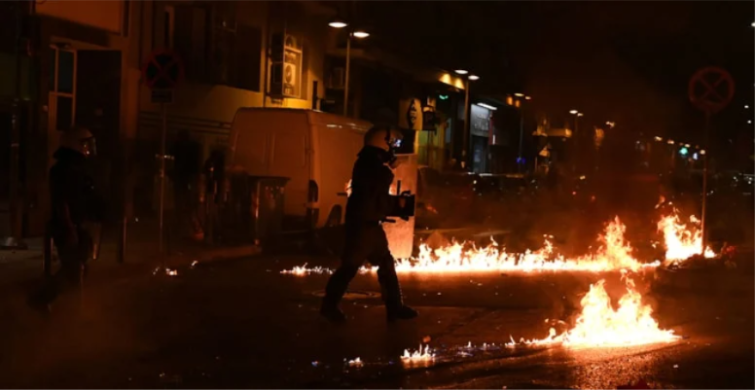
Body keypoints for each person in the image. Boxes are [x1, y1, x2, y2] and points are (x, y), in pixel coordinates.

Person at [320, 125, 418, 323]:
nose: (393, 151)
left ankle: (395, 307)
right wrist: (396, 203)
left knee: (385, 264)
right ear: (382, 143)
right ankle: (329, 307)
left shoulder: (370, 163)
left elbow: (375, 197)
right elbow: (374, 197)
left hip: (369, 225)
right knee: (349, 267)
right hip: (363, 226)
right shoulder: (370, 165)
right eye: (391, 146)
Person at [29, 126, 105, 310]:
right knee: (72, 269)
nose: (88, 149)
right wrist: (70, 228)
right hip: (68, 226)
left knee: (79, 267)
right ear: (74, 145)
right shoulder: (65, 170)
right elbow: (62, 201)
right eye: (85, 145)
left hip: (77, 225)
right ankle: (40, 301)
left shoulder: (76, 168)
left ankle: (67, 307)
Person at [170, 130, 202, 241]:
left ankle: (184, 230)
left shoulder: (179, 147)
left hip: (182, 178)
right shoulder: (193, 147)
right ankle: (192, 229)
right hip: (188, 178)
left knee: (182, 206)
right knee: (190, 206)